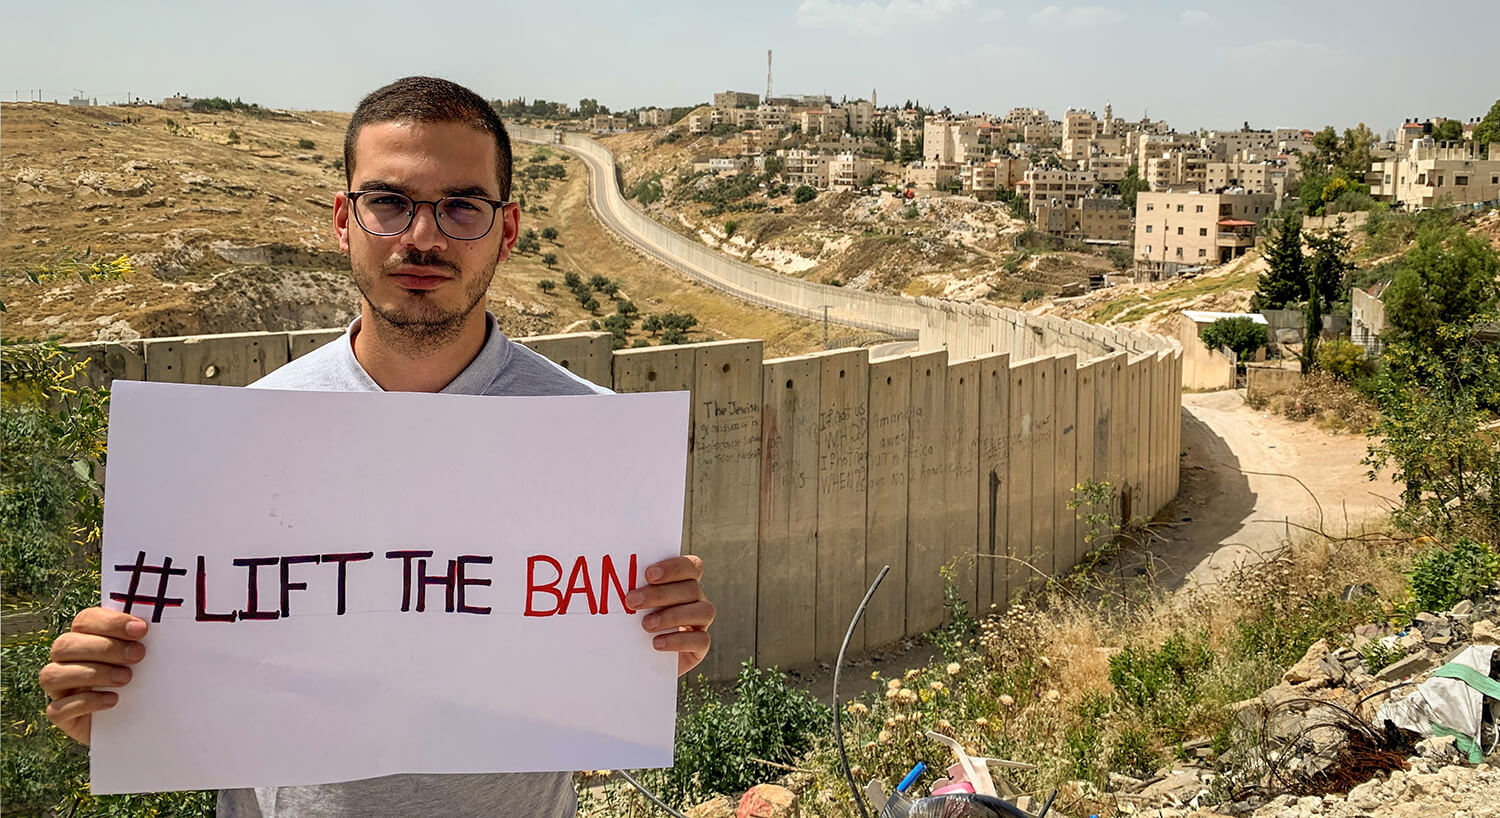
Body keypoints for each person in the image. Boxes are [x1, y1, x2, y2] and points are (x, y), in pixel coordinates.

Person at [38, 76, 715, 817]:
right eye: (389, 203)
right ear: (343, 219)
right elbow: (172, 680)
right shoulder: (242, 437)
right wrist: (107, 695)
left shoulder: (594, 439)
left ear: (509, 230)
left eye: (462, 206)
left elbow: (593, 659)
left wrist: (651, 645)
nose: (422, 237)